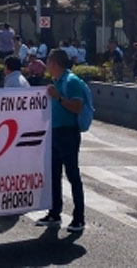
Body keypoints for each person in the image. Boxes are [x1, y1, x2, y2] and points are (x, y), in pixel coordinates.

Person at [35, 48, 86, 233]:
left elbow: (77, 107)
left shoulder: (71, 81)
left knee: (73, 175)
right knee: (53, 174)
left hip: (68, 133)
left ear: (54, 63)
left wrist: (59, 98)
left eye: (48, 63)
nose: (47, 66)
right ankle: (54, 213)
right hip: (55, 133)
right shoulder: (57, 80)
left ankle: (79, 217)